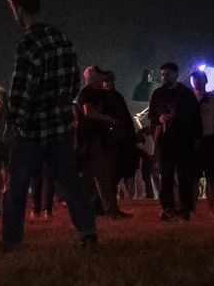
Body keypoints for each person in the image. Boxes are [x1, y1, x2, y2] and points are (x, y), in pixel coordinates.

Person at [0, 0, 97, 252]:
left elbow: (21, 90)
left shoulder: (28, 44)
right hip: (60, 126)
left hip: (33, 129)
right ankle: (88, 232)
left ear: (19, 9)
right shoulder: (63, 41)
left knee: (17, 184)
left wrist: (12, 125)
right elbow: (74, 85)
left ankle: (12, 240)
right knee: (71, 183)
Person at [143, 62, 203, 220]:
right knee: (166, 175)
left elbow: (196, 117)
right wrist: (160, 118)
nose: (164, 78)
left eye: (167, 74)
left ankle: (185, 208)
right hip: (165, 140)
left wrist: (196, 138)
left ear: (176, 74)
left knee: (184, 175)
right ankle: (167, 207)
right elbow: (151, 115)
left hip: (184, 140)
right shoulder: (158, 94)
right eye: (162, 74)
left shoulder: (186, 94)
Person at [75, 68, 137, 218]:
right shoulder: (86, 93)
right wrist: (109, 120)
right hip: (88, 140)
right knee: (94, 176)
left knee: (103, 176)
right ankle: (102, 210)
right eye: (98, 76)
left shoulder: (100, 94)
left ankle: (108, 210)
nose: (101, 79)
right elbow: (89, 112)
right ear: (92, 77)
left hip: (100, 139)